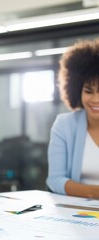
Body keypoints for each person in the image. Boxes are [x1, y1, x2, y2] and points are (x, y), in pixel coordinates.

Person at [47, 39, 99, 199]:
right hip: (78, 214)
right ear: (76, 90)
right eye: (88, 91)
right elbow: (55, 180)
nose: (95, 99)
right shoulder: (64, 125)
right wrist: (94, 192)